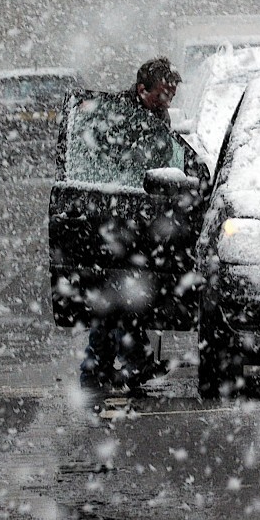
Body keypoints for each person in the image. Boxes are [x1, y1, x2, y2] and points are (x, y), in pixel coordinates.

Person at [78, 57, 183, 398]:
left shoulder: (155, 113)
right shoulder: (118, 116)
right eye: (163, 95)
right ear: (142, 90)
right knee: (116, 292)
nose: (168, 102)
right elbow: (108, 159)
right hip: (113, 214)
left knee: (125, 292)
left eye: (171, 95)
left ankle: (114, 365)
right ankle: (107, 367)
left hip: (139, 213)